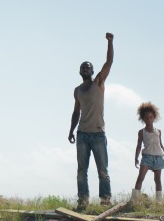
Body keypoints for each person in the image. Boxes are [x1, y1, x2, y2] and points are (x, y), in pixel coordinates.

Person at [68, 32, 114, 208]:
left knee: (103, 171)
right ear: (80, 72)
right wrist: (71, 131)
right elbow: (75, 112)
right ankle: (83, 200)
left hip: (98, 134)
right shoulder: (77, 90)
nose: (86, 69)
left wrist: (110, 43)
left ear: (93, 71)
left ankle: (105, 200)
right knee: (81, 171)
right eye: (83, 67)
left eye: (88, 67)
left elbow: (109, 63)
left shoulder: (99, 83)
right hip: (82, 134)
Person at [132, 102, 164, 202]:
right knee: (140, 177)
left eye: (150, 117)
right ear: (143, 119)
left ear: (154, 118)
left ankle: (159, 202)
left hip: (158, 157)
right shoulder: (141, 132)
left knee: (157, 180)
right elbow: (139, 145)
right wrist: (136, 158)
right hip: (147, 157)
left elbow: (161, 145)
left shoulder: (159, 131)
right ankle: (134, 200)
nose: (148, 119)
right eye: (146, 117)